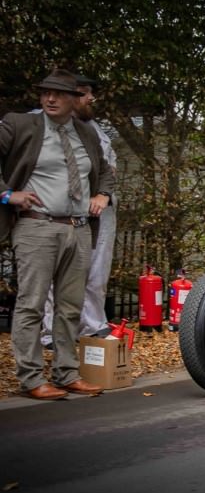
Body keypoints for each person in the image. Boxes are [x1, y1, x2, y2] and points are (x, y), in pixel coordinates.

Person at [0, 69, 114, 399]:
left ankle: (67, 373)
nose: (50, 99)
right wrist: (8, 194)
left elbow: (104, 171)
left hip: (78, 229)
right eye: (45, 93)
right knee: (32, 305)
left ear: (75, 99)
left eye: (59, 94)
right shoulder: (21, 125)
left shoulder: (86, 132)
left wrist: (103, 195)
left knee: (70, 308)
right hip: (37, 226)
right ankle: (31, 378)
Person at [40, 72, 118, 343]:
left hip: (99, 211)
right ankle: (52, 331)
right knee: (53, 271)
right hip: (56, 209)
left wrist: (103, 193)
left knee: (96, 270)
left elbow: (109, 169)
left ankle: (92, 325)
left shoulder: (96, 131)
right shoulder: (34, 123)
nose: (90, 99)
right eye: (85, 94)